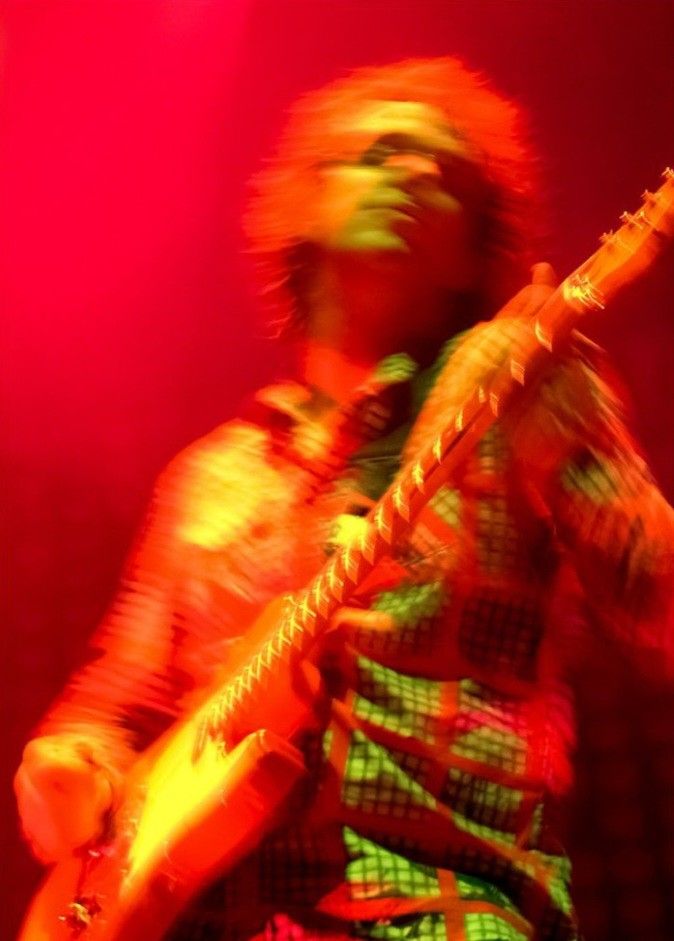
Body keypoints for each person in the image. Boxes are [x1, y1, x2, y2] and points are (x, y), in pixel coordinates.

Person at [14, 58, 674, 941]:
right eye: (382, 153)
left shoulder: (517, 377)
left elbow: (659, 600)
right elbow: (116, 704)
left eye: (447, 177)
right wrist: (66, 771)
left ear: (472, 244)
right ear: (304, 206)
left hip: (440, 911)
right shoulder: (212, 475)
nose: (412, 175)